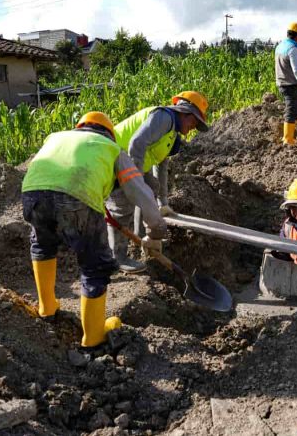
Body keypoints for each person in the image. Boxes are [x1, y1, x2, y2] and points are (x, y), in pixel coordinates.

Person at [21, 111, 167, 348]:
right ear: (109, 133)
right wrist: (156, 229)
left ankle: (46, 308)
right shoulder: (111, 148)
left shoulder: (56, 137)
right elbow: (139, 191)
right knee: (94, 266)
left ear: (80, 128)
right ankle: (94, 339)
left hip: (32, 194)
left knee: (42, 245)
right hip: (77, 199)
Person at [107, 91, 209, 273]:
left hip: (130, 162)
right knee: (122, 207)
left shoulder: (172, 136)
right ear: (185, 112)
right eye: (194, 122)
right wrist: (135, 180)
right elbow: (136, 143)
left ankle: (140, 237)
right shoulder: (164, 117)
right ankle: (117, 257)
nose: (193, 127)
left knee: (151, 186)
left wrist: (163, 203)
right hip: (114, 156)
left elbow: (161, 166)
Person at [275, 22, 297, 145]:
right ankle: (288, 138)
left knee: (296, 108)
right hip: (290, 84)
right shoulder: (293, 49)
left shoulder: (280, 46)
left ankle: (293, 133)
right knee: (291, 109)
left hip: (282, 82)